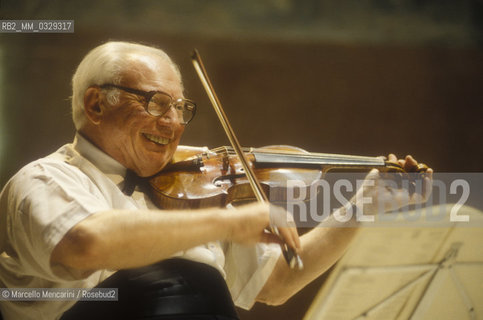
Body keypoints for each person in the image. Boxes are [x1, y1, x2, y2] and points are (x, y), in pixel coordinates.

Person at [0, 41, 432, 320]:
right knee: (187, 278)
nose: (173, 123)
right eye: (155, 103)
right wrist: (229, 223)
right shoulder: (45, 179)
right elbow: (86, 243)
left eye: (181, 108)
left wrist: (363, 206)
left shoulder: (193, 197)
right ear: (96, 104)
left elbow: (278, 284)